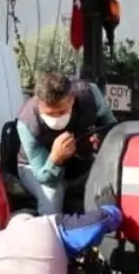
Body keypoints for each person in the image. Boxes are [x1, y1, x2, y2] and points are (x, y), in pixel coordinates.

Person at [15, 72, 118, 215]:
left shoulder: (90, 95)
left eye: (62, 111)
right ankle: (48, 232)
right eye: (50, 114)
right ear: (39, 104)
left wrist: (99, 138)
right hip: (35, 166)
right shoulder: (27, 123)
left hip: (78, 160)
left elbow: (112, 127)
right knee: (52, 193)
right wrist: (55, 160)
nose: (56, 119)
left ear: (72, 99)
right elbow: (43, 177)